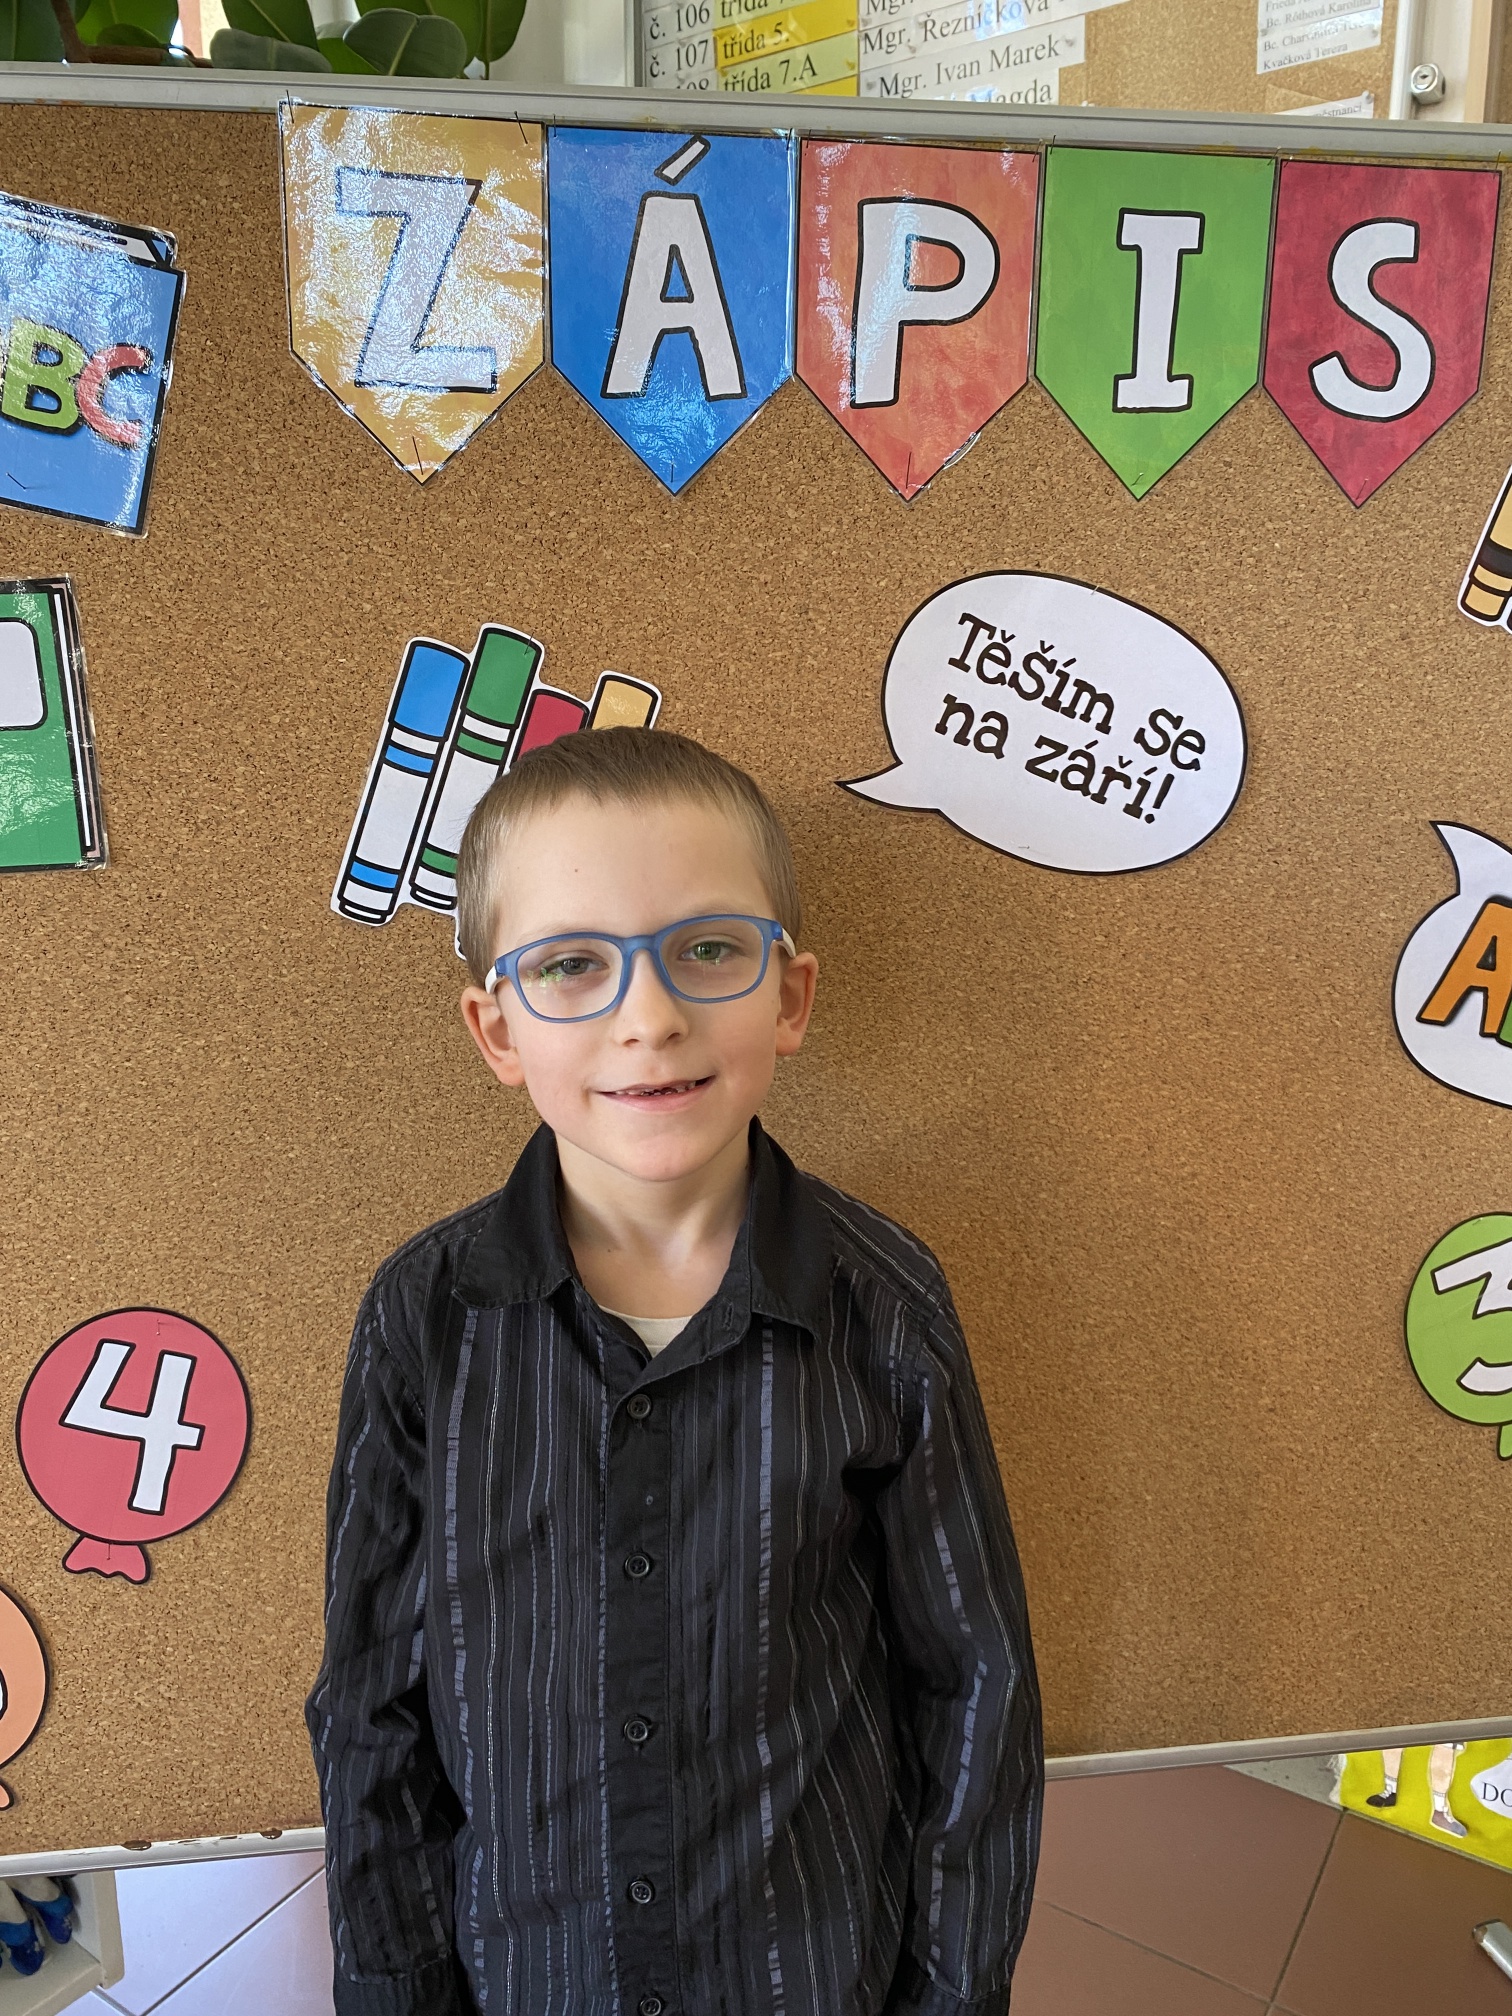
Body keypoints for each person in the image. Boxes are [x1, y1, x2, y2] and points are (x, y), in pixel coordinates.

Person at [306, 727, 1042, 2016]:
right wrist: (396, 1989)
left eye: (706, 950)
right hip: (530, 1976)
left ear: (789, 998)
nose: (648, 1018)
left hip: (809, 1974)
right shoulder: (426, 1317)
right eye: (572, 965)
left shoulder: (883, 1304)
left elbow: (975, 1685)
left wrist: (952, 1992)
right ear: (496, 1029)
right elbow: (372, 1698)